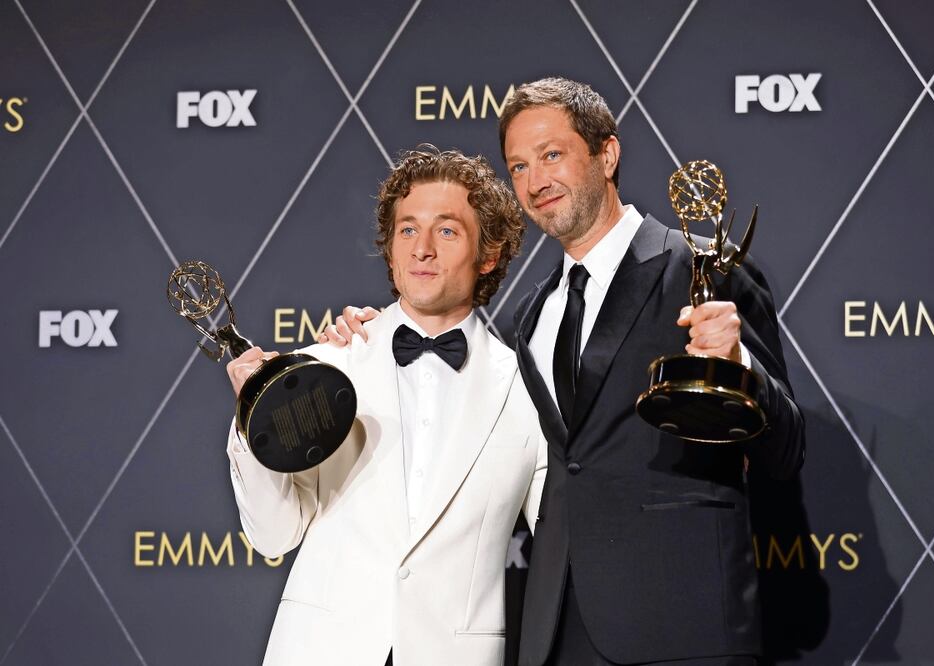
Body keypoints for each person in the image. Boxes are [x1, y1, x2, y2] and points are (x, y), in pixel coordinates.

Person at [334, 78, 805, 666]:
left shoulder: (701, 267)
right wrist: (367, 338)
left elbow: (785, 451)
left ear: (607, 154)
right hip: (558, 632)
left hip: (682, 624)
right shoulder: (532, 314)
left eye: (552, 154)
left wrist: (739, 367)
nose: (535, 181)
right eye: (519, 165)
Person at [225, 147, 547, 666]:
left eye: (447, 231)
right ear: (391, 250)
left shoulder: (527, 391)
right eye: (407, 230)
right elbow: (272, 535)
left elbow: (566, 540)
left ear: (488, 254)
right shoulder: (324, 364)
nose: (422, 249)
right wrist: (252, 420)